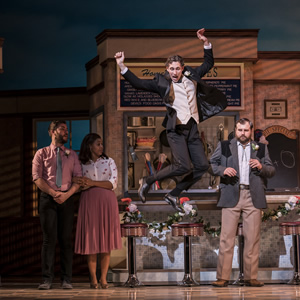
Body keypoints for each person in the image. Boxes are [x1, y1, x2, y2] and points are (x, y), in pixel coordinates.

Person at [115, 28, 227, 212]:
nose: (174, 72)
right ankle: (149, 181)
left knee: (202, 166)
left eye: (177, 68)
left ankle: (173, 194)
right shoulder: (161, 83)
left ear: (182, 68)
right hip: (175, 130)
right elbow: (138, 84)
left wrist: (206, 43)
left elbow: (208, 63)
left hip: (192, 128)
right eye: (171, 69)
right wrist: (122, 66)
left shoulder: (192, 77)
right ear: (167, 69)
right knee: (182, 165)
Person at [210, 118, 275, 287]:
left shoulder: (260, 148)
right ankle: (222, 278)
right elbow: (211, 164)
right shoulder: (225, 146)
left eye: (246, 131)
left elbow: (271, 170)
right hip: (231, 193)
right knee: (226, 238)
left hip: (253, 196)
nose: (243, 134)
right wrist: (223, 170)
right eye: (240, 130)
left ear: (251, 131)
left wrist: (261, 166)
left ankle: (250, 277)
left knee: (252, 238)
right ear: (236, 130)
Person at [32, 120, 82, 290]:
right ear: (52, 132)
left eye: (67, 129)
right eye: (62, 129)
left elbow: (78, 179)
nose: (66, 132)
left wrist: (67, 195)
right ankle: (47, 279)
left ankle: (66, 279)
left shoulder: (72, 154)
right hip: (48, 199)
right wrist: (54, 194)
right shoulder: (41, 153)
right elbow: (37, 178)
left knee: (66, 240)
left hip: (67, 199)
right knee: (49, 240)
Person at [73, 133, 122, 289]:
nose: (101, 147)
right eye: (98, 144)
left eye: (101, 144)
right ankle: (93, 279)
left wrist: (92, 183)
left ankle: (104, 278)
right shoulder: (82, 164)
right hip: (89, 202)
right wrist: (83, 183)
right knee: (91, 240)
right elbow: (78, 181)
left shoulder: (109, 162)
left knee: (106, 241)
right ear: (89, 146)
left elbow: (112, 183)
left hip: (107, 202)